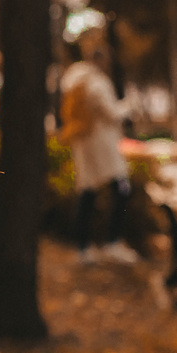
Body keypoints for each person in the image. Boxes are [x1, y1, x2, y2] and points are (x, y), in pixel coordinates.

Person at [59, 40, 135, 264]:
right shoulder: (98, 83)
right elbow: (112, 114)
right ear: (101, 61)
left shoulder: (74, 81)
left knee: (87, 194)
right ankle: (113, 242)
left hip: (83, 146)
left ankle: (83, 247)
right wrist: (129, 105)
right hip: (104, 148)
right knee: (122, 189)